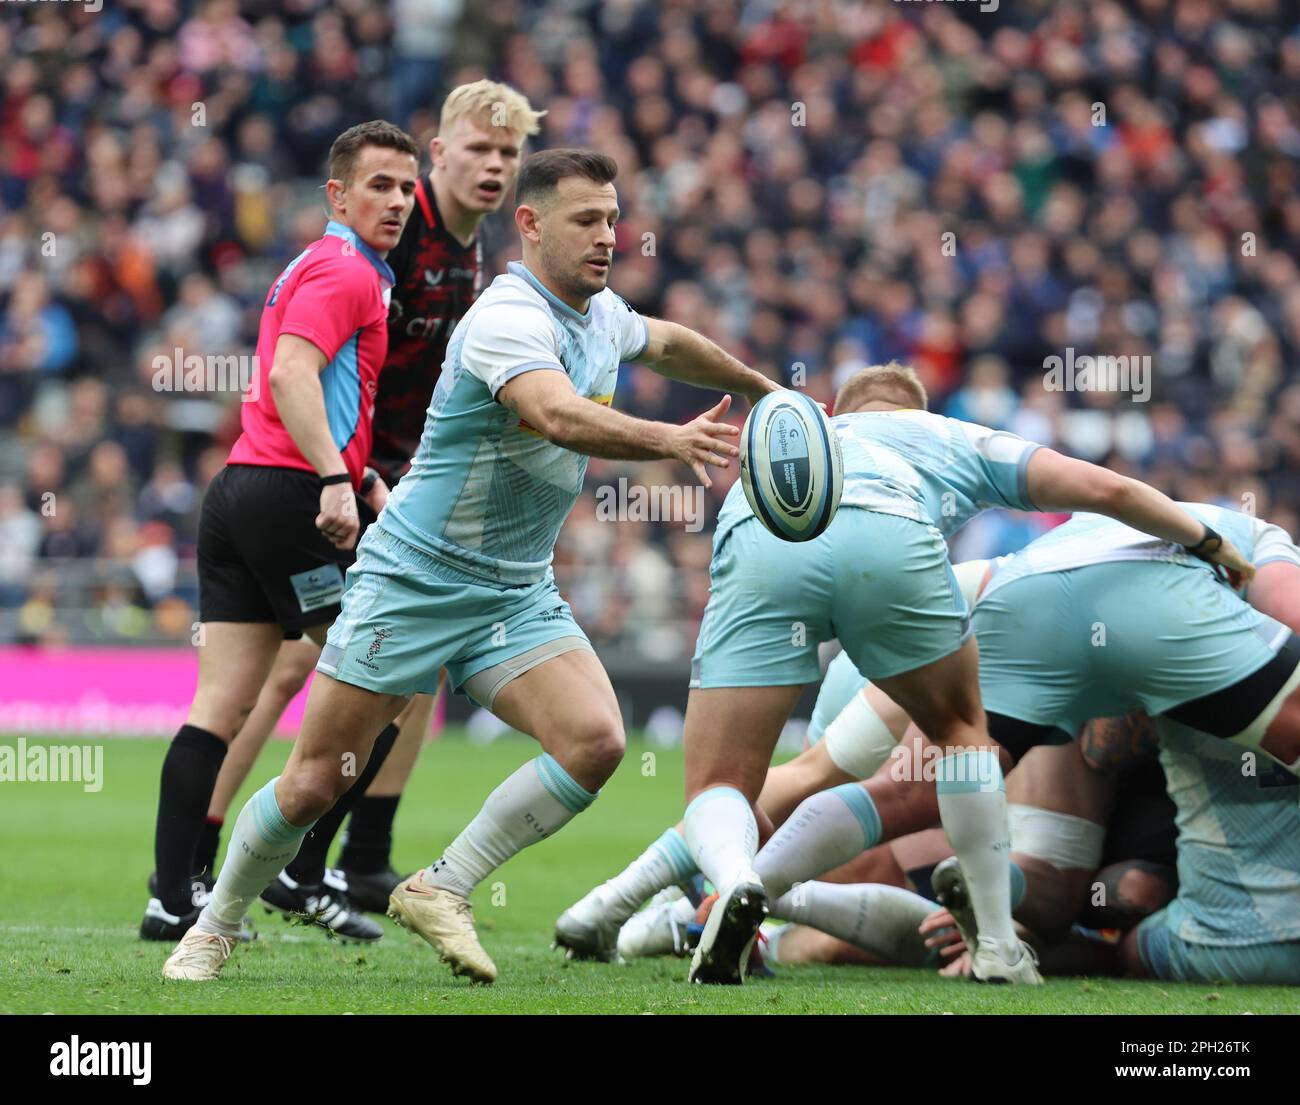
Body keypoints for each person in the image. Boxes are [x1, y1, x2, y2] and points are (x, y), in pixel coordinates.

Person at [161, 147, 783, 984]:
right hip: (414, 576)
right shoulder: (504, 319)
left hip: (513, 589)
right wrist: (672, 441)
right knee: (314, 780)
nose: (608, 237)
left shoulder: (600, 313)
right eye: (585, 221)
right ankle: (215, 922)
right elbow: (554, 414)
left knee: (595, 741)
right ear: (529, 225)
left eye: (612, 219)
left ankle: (442, 885)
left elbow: (664, 342)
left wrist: (758, 386)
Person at [676, 362, 1251, 984]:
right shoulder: (950, 436)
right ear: (918, 410)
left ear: (840, 415)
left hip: (766, 538)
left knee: (721, 782)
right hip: (894, 549)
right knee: (961, 737)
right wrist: (1206, 540)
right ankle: (999, 945)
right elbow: (1108, 491)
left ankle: (733, 883)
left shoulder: (806, 438)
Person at [185, 81, 544, 929]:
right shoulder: (396, 221)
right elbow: (313, 352)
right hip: (341, 473)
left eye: (508, 153)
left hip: (393, 474)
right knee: (304, 670)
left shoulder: (473, 246)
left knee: (402, 668)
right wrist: (346, 471)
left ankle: (350, 859)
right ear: (439, 150)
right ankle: (226, 861)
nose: (494, 165)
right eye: (478, 148)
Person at [140, 120, 420, 943]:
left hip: (240, 489)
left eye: (407, 188)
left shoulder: (316, 263)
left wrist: (359, 469)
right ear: (339, 194)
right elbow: (292, 372)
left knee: (221, 702)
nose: (399, 201)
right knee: (390, 680)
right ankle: (301, 872)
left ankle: (171, 895)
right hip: (294, 497)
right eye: (380, 185)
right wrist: (335, 477)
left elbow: (312, 389)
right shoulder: (348, 274)